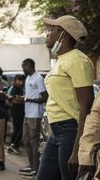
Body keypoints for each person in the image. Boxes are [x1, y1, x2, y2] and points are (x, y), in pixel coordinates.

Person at [36, 15, 94, 180]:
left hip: (71, 131)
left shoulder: (77, 60)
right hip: (56, 131)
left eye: (51, 30)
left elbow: (87, 106)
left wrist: (77, 150)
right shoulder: (62, 60)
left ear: (63, 34)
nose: (47, 34)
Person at [17, 58, 48, 179]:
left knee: (34, 143)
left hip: (35, 115)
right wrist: (21, 98)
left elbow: (45, 97)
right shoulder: (28, 78)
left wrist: (26, 99)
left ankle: (36, 169)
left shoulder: (38, 78)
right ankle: (31, 166)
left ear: (29, 65)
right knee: (26, 141)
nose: (22, 69)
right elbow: (29, 95)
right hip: (27, 114)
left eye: (23, 66)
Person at [6, 74, 25, 154]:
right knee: (18, 129)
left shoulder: (21, 89)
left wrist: (21, 99)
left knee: (19, 129)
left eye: (22, 80)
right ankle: (12, 145)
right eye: (19, 80)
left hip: (21, 110)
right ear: (15, 80)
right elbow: (11, 99)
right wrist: (21, 100)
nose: (21, 81)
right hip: (15, 110)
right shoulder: (13, 88)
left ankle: (14, 145)